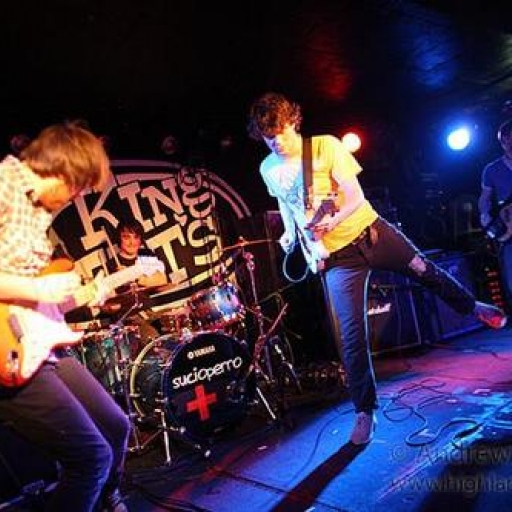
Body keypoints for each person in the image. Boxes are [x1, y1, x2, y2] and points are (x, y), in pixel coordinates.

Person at [247, 92, 507, 446]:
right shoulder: (267, 168)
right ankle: (364, 411)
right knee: (351, 336)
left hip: (371, 233)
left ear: (293, 121)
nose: (275, 142)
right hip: (337, 259)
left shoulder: (325, 147)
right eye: (267, 137)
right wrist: (292, 234)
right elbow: (285, 201)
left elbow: (354, 197)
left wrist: (330, 221)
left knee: (424, 269)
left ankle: (472, 306)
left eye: (280, 132)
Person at [0, 121, 131, 511]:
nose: (75, 197)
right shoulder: (4, 186)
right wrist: (40, 290)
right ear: (61, 170)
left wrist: (76, 295)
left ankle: (107, 499)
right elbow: (31, 290)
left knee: (116, 427)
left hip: (37, 342)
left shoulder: (37, 212)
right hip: (9, 354)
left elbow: (27, 295)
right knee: (90, 458)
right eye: (76, 187)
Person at [101, 218, 168, 344]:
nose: (132, 242)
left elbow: (161, 281)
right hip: (129, 318)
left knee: (175, 325)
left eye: (136, 237)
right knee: (154, 340)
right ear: (119, 239)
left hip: (150, 312)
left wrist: (131, 275)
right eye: (126, 237)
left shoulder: (147, 257)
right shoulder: (110, 266)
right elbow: (108, 303)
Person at [478, 118, 512, 306]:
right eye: (506, 139)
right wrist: (485, 216)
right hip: (509, 229)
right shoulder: (491, 170)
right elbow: (485, 198)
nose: (510, 142)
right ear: (503, 141)